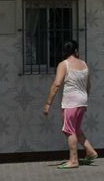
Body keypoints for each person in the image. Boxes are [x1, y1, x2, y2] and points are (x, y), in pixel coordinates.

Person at [42, 40, 98, 170]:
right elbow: (88, 85)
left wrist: (48, 103)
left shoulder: (64, 64)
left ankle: (73, 160)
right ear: (76, 51)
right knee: (76, 129)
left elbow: (56, 84)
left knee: (69, 130)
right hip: (82, 101)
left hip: (70, 102)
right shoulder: (84, 64)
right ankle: (90, 152)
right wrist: (84, 99)